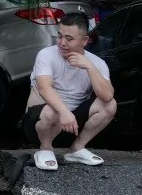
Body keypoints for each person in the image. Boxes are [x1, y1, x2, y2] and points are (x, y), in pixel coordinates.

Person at [25, 12, 117, 170]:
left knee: (110, 105)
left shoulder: (97, 63)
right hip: (39, 125)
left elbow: (107, 95)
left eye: (69, 39)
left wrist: (89, 67)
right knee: (52, 111)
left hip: (72, 126)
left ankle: (76, 149)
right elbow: (44, 89)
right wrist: (64, 112)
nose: (62, 43)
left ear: (85, 41)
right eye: (60, 36)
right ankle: (45, 148)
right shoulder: (46, 55)